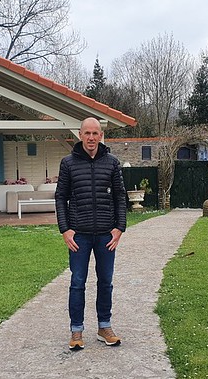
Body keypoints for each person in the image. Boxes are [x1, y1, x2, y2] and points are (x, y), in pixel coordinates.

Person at [55, 117, 127, 351]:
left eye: (95, 133)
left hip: (106, 235)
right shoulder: (68, 163)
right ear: (80, 135)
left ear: (101, 135)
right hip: (79, 237)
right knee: (77, 283)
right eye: (87, 133)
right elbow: (60, 197)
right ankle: (77, 330)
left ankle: (104, 326)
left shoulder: (112, 163)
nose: (91, 138)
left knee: (106, 282)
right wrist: (65, 229)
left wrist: (119, 228)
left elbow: (119, 196)